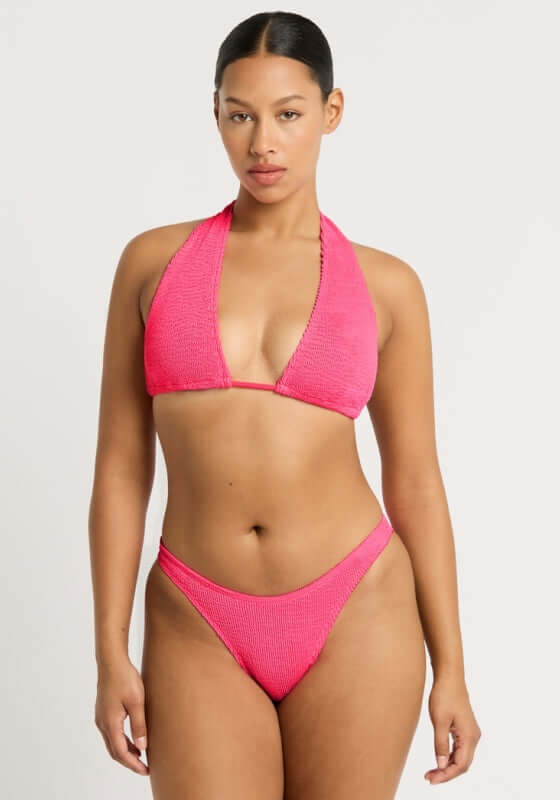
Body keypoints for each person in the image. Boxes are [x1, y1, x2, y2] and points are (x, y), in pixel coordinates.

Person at [89, 10, 481, 799]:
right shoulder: (151, 265)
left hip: (357, 608)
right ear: (215, 114)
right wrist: (108, 652)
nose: (262, 142)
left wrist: (453, 670)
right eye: (240, 115)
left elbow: (415, 480)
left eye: (288, 115)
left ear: (331, 113)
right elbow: (122, 471)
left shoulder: (387, 286)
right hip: (196, 615)